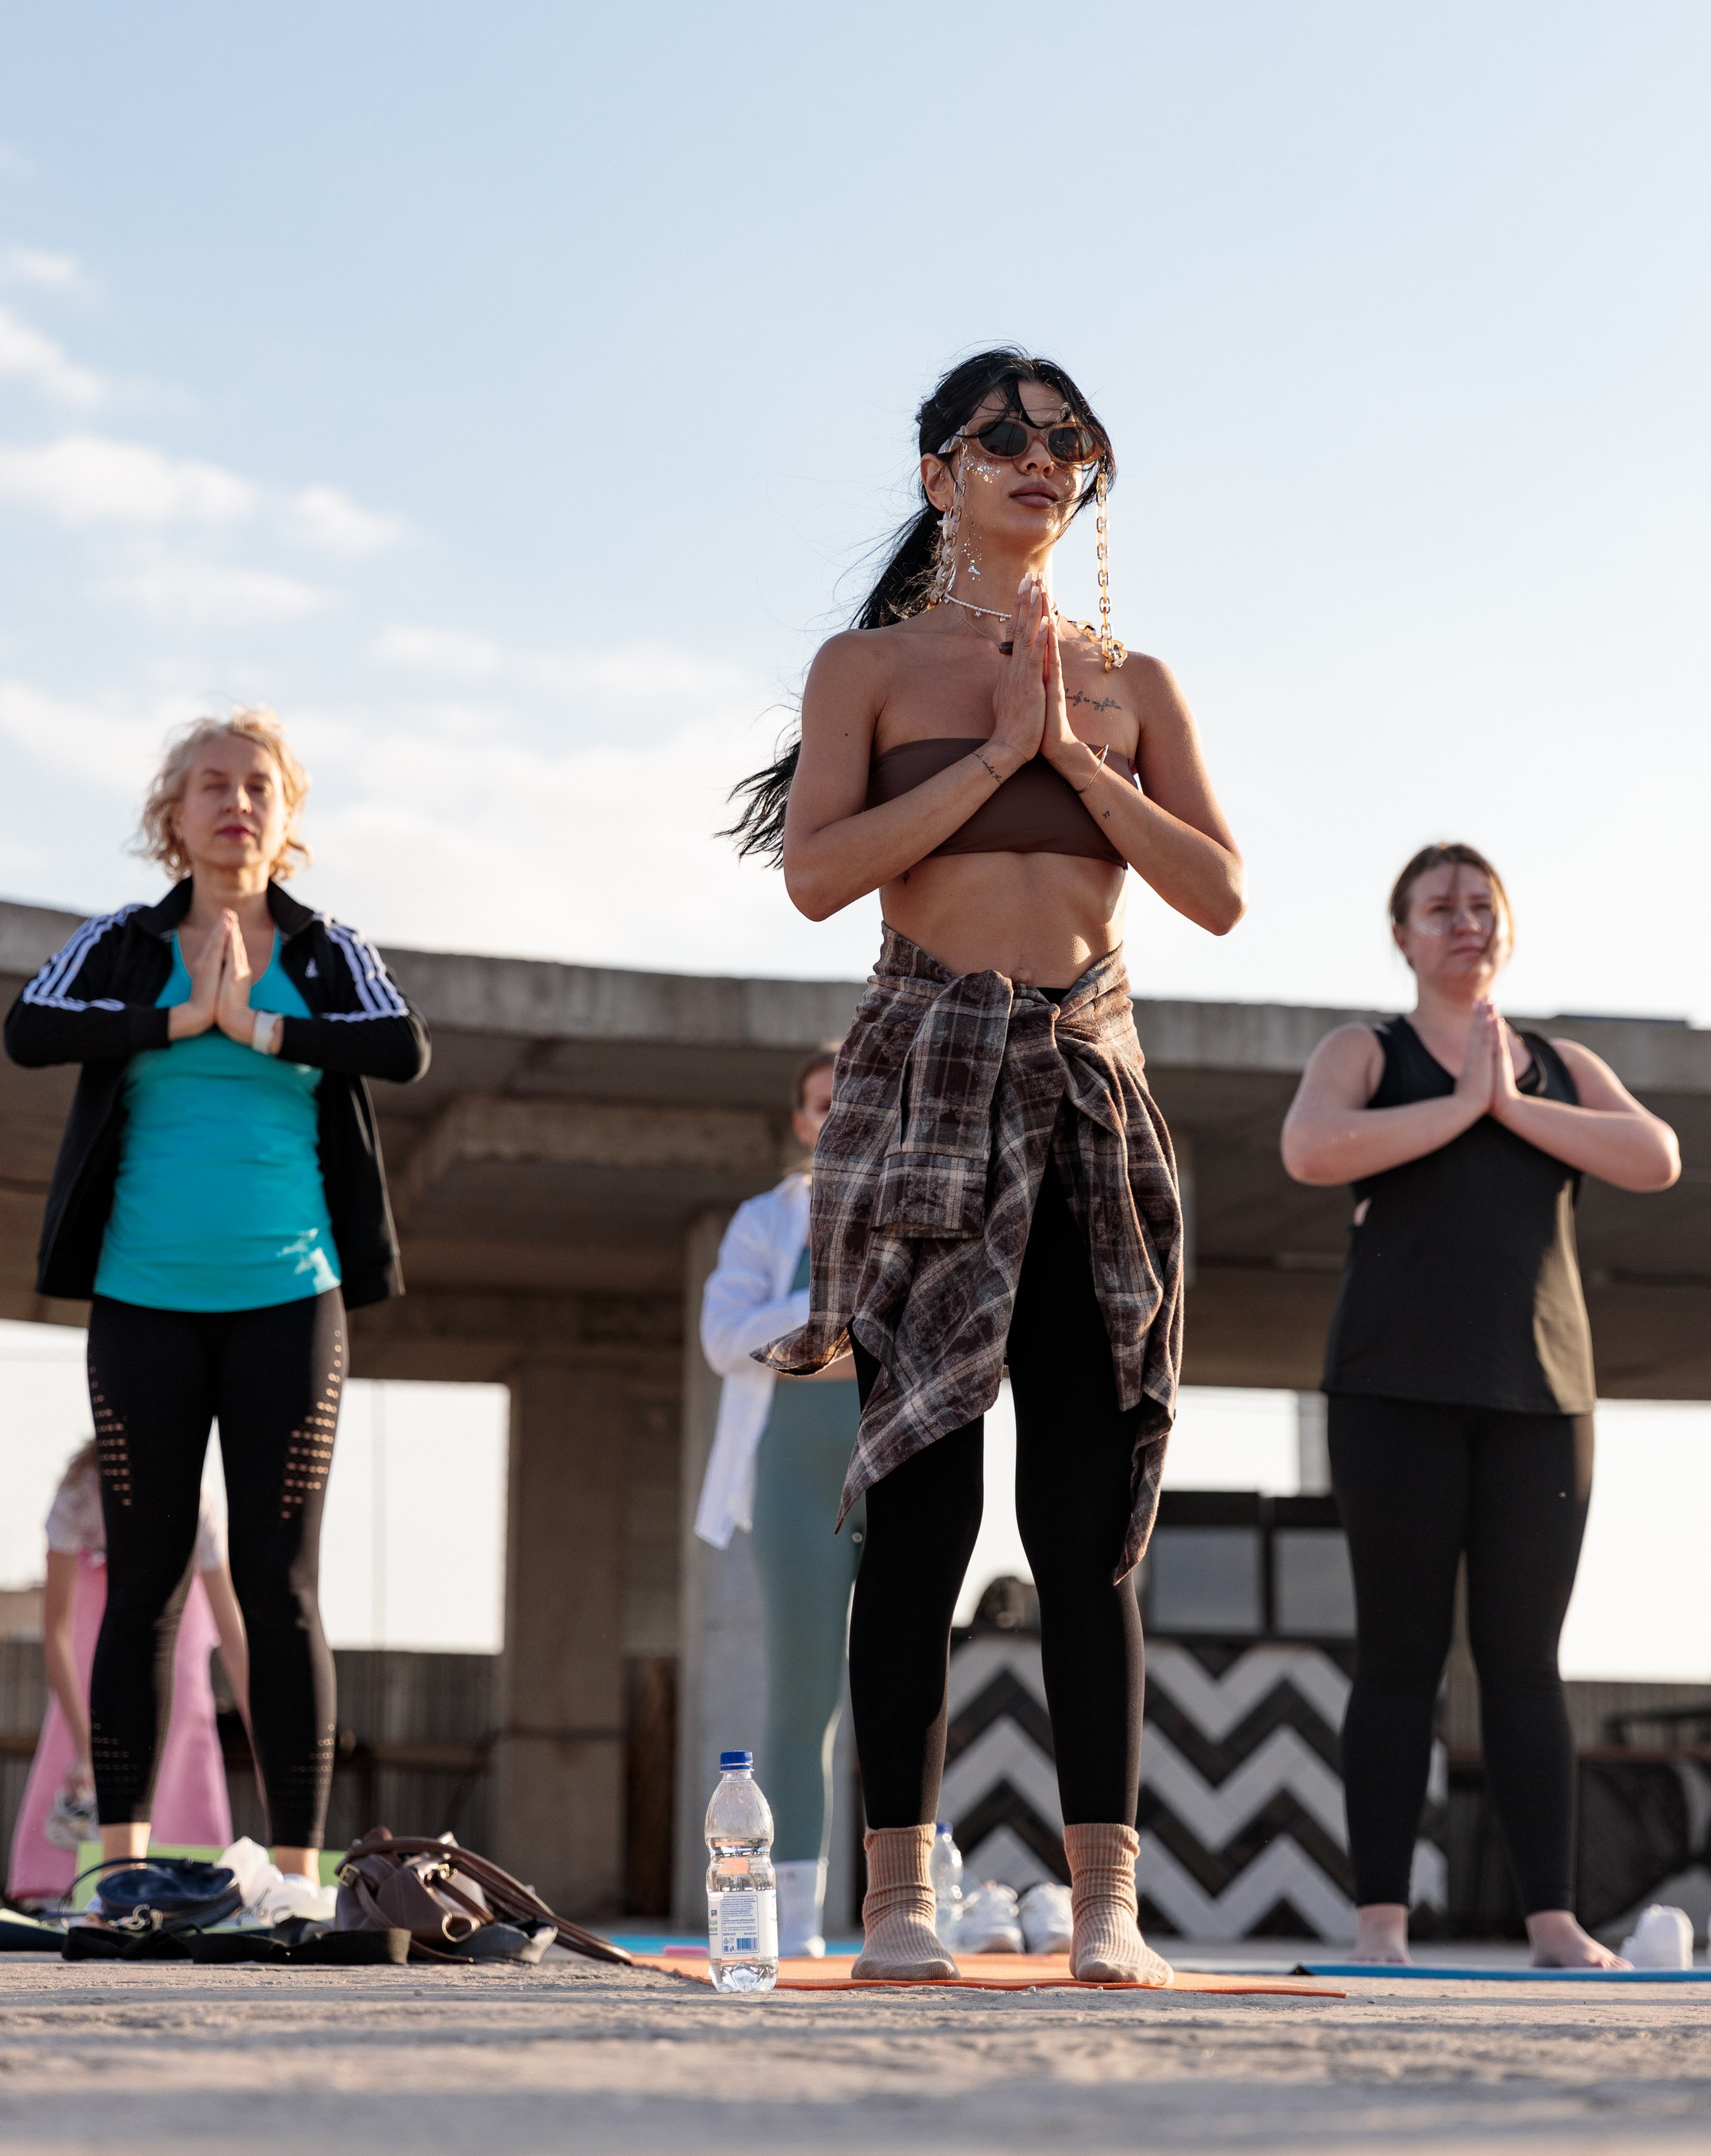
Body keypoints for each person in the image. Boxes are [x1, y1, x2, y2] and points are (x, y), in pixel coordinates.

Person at [723, 349, 1243, 1982]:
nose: (1038, 457)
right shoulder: (864, 667)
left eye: (1065, 439)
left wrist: (1073, 760)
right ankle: (897, 1902)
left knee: (1082, 1520)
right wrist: (987, 753)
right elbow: (816, 875)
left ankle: (1106, 1907)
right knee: (921, 1506)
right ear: (936, 471)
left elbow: (1218, 892)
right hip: (925, 1087)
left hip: (1086, 1084)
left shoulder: (1134, 680)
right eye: (1001, 434)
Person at [4, 708, 428, 1908]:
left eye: (258, 786)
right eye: (211, 785)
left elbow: (402, 1047)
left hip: (290, 1300)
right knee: (141, 1581)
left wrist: (261, 1028)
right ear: (173, 814)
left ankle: (296, 1876)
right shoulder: (121, 943)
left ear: (286, 819)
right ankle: (121, 1866)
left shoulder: (327, 948)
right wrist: (181, 1022)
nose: (236, 802)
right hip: (143, 1301)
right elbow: (28, 1028)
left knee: (278, 1585)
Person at [1281, 842, 1680, 1969]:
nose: (1465, 923)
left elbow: (1653, 1156)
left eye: (1481, 906)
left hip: (1541, 1396)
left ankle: (1553, 1921)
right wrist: (1462, 1107)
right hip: (1392, 1389)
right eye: (1440, 908)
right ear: (1402, 936)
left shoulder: (1559, 1064)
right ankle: (1382, 1923)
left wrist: (1504, 1103)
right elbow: (1310, 1149)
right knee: (1400, 1654)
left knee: (1525, 1660)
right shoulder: (1367, 1051)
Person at [694, 1048, 857, 1959]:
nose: (839, 1115)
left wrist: (798, 1329)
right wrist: (839, 1318)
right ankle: (796, 1918)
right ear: (801, 1121)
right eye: (823, 1104)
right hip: (793, 1484)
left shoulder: (923, 1206)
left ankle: (911, 1899)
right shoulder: (764, 1221)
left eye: (855, 1098)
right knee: (803, 1698)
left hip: (899, 1470)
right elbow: (724, 1338)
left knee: (907, 1694)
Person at [8, 1441, 247, 1905]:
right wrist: (86, 1746)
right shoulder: (80, 1495)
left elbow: (233, 1635)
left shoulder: (193, 1500)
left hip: (176, 1632)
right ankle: (66, 1887)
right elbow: (56, 1632)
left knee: (180, 1732)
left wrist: (265, 1738)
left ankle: (188, 1884)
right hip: (96, 1639)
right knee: (93, 1731)